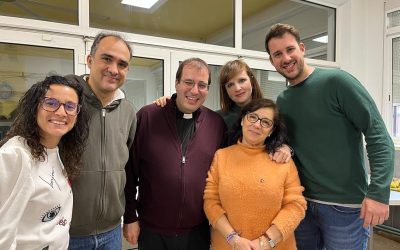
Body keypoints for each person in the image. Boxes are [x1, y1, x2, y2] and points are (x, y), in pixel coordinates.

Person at [265, 23, 395, 250]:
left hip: (346, 209)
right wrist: (285, 147)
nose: (285, 58)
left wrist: (378, 192)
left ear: (302, 48)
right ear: (272, 61)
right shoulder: (283, 100)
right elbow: (294, 144)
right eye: (277, 54)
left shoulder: (337, 82)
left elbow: (378, 135)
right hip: (302, 206)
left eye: (290, 49)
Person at [123, 58, 226, 250]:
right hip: (152, 231)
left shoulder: (216, 124)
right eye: (188, 82)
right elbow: (129, 173)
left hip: (197, 233)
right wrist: (129, 217)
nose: (194, 91)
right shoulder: (148, 116)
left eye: (202, 85)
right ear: (177, 83)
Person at [203, 98, 306, 250]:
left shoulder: (282, 161)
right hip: (227, 245)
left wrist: (265, 242)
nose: (257, 125)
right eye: (253, 117)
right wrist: (233, 238)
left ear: (271, 131)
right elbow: (210, 202)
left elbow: (296, 206)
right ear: (242, 120)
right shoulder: (221, 157)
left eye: (266, 122)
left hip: (275, 246)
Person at [65, 32, 137, 249]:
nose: (114, 69)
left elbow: (129, 169)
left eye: (122, 64)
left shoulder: (128, 111)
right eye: (107, 58)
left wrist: (130, 216)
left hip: (111, 232)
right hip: (67, 232)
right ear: (89, 60)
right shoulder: (66, 103)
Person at [0, 75, 89, 249]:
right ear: (35, 107)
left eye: (70, 106)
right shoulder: (16, 156)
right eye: (51, 103)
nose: (61, 112)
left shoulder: (58, 151)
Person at [155, 59, 293, 162]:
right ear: (225, 90)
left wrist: (287, 149)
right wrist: (172, 102)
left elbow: (283, 143)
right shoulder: (217, 119)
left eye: (242, 80)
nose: (237, 88)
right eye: (230, 84)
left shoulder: (272, 113)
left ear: (251, 80)